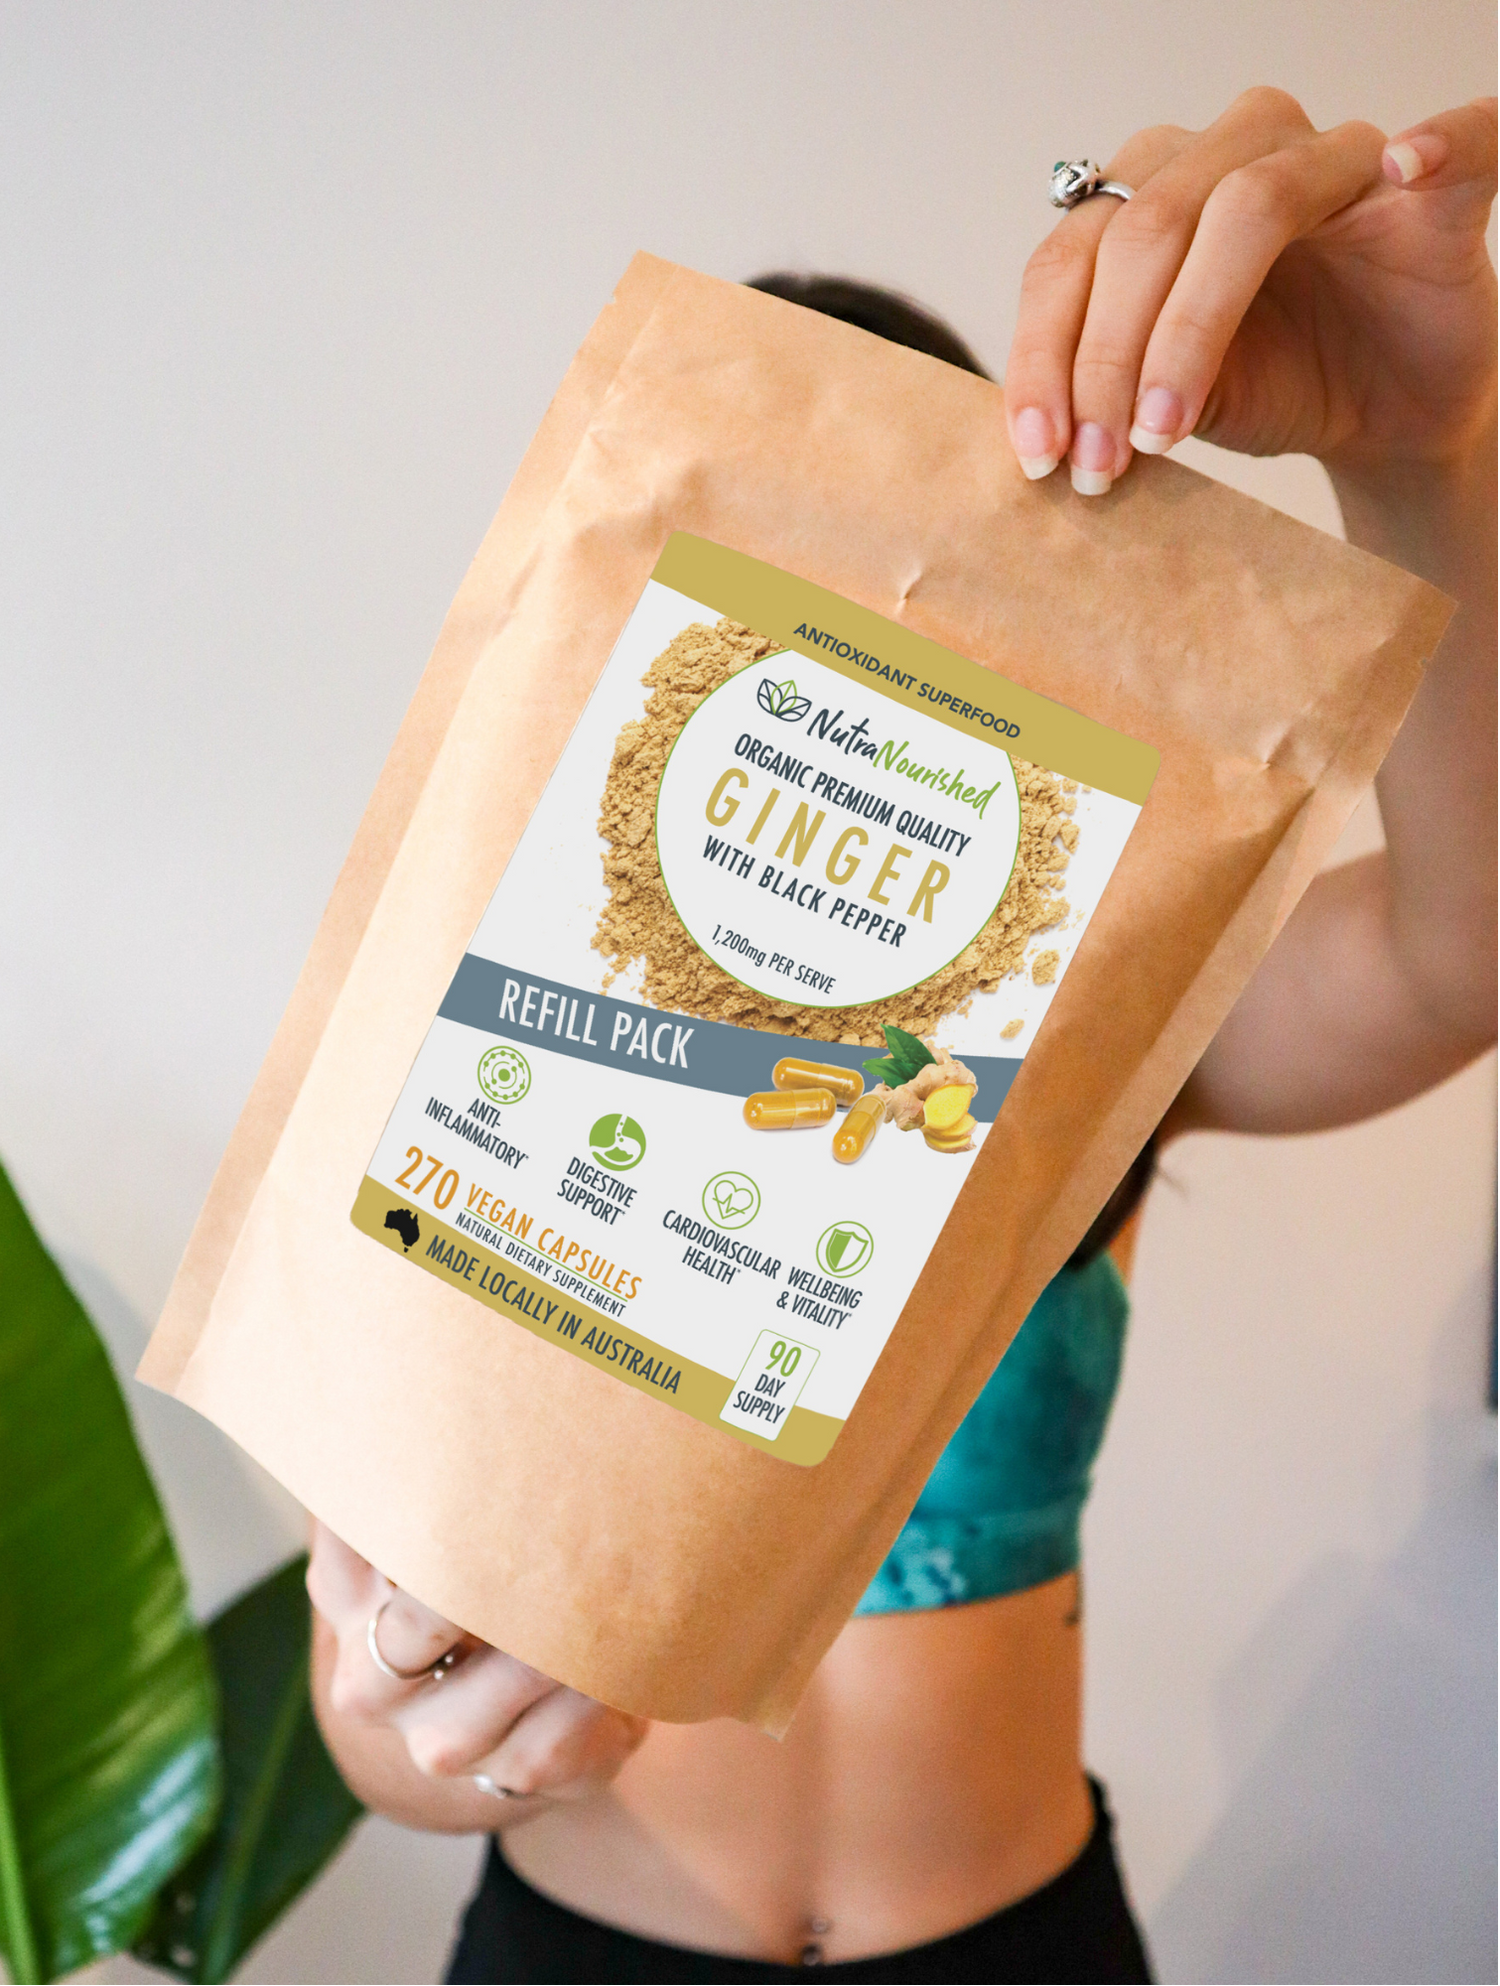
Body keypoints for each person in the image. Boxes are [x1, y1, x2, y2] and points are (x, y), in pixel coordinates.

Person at [307, 87, 1499, 1982]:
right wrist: (433, 1728)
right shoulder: (491, 1049)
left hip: (1024, 1938)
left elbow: (1466, 949)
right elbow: (371, 1712)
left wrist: (1432, 453)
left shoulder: (1100, 1017)